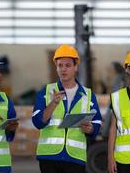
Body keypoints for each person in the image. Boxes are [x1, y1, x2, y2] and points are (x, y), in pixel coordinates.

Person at [32, 44, 102, 173]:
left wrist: (91, 128)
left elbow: (97, 121)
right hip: (49, 157)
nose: (63, 69)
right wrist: (53, 103)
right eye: (60, 65)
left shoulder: (88, 95)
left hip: (75, 157)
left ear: (75, 67)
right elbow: (37, 122)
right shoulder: (46, 91)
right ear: (56, 67)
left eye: (68, 65)